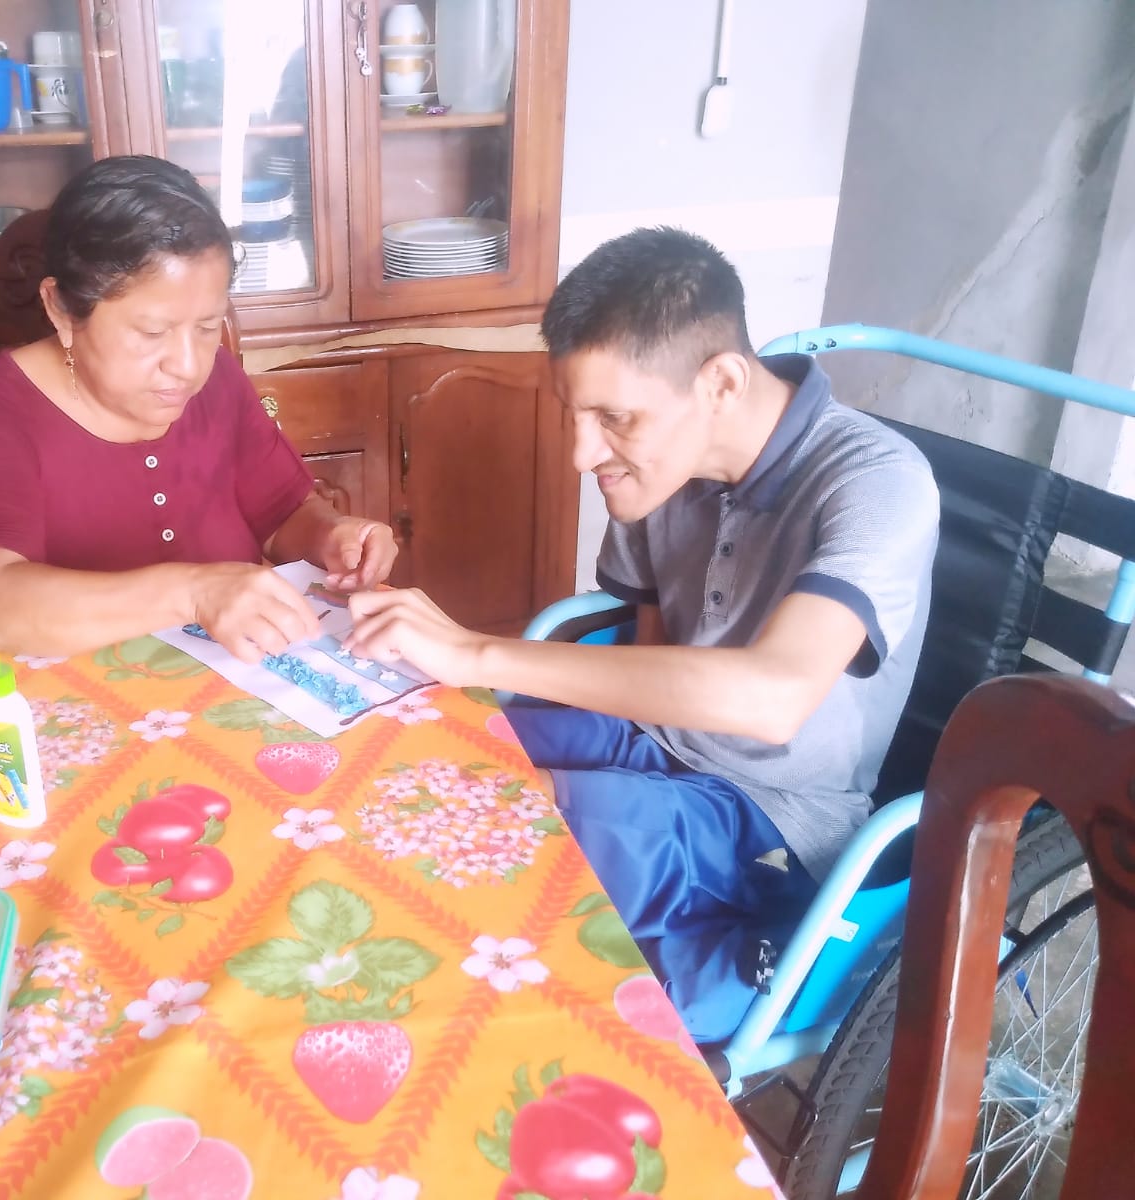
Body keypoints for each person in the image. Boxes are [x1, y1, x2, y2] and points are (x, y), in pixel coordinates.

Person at [344, 227, 940, 1040]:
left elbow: (774, 699)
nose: (582, 453)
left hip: (773, 811)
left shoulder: (877, 481)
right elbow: (649, 644)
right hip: (654, 739)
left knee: (481, 828)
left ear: (721, 383)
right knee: (417, 747)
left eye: (614, 417)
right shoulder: (663, 465)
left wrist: (475, 652)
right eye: (576, 415)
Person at [0, 156, 396, 659]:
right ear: (61, 309)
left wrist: (332, 537)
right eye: (152, 332)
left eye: (206, 327)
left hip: (240, 678)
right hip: (84, 696)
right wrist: (194, 593)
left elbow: (282, 514)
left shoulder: (217, 379)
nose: (187, 366)